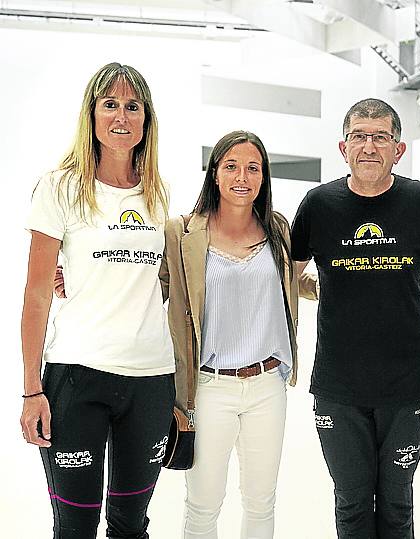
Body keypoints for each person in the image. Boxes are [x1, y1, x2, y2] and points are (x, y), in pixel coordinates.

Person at [290, 98, 420, 538]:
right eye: (359, 136)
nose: (369, 146)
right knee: (350, 504)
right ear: (343, 146)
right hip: (337, 385)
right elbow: (284, 278)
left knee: (396, 504)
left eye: (380, 137)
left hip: (404, 384)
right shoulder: (319, 204)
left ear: (398, 149)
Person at [21, 62, 174, 539]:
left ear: (146, 119)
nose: (121, 117)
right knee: (76, 526)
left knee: (131, 526)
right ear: (91, 115)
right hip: (77, 376)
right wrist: (31, 390)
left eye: (133, 107)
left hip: (150, 380)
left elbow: (160, 280)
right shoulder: (61, 187)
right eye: (110, 105)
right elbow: (35, 296)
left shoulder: (158, 194)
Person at [160, 131, 317, 538]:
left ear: (263, 177)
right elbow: (151, 287)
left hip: (268, 384)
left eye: (253, 167)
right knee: (203, 504)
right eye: (230, 166)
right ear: (214, 174)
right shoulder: (182, 233)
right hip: (210, 387)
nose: (241, 177)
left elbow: (290, 279)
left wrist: (336, 282)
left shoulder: (278, 229)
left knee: (261, 501)